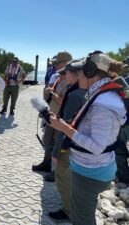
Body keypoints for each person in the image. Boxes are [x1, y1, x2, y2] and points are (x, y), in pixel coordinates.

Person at [49, 52, 125, 225]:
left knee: (81, 219)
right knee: (84, 214)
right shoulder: (101, 96)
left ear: (90, 73)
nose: (78, 75)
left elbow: (97, 146)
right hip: (92, 169)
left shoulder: (103, 104)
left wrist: (64, 128)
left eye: (80, 71)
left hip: (90, 173)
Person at [48, 61, 87, 221]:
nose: (63, 76)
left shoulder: (73, 94)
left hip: (68, 144)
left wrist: (56, 151)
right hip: (80, 144)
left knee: (63, 177)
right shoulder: (86, 91)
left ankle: (68, 211)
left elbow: (65, 126)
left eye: (66, 73)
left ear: (77, 74)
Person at [32, 51, 72, 182]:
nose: (54, 65)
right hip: (52, 115)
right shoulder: (58, 77)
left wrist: (51, 93)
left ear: (66, 63)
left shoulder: (69, 79)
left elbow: (63, 100)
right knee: (48, 140)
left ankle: (56, 172)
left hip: (60, 118)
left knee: (57, 144)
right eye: (54, 63)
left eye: (57, 63)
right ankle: (46, 163)